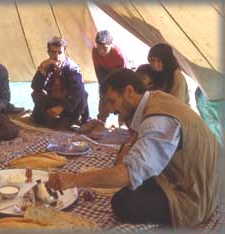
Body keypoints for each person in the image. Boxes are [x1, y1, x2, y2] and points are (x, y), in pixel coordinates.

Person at [48, 68, 220, 228]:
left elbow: (129, 173)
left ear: (129, 92)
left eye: (112, 101)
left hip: (198, 196)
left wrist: (74, 180)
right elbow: (134, 146)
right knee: (125, 179)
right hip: (197, 179)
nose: (111, 109)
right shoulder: (154, 99)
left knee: (123, 202)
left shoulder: (159, 120)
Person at [31, 36, 89, 129]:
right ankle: (48, 116)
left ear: (64, 52)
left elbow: (77, 92)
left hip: (68, 105)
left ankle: (72, 119)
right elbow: (35, 87)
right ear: (48, 52)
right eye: (53, 52)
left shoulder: (72, 68)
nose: (57, 56)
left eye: (60, 52)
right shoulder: (47, 65)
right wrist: (43, 67)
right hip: (53, 100)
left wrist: (61, 107)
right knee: (36, 95)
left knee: (82, 93)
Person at [92, 30, 125, 122]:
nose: (101, 51)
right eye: (99, 47)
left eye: (104, 48)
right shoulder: (95, 51)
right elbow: (99, 72)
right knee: (104, 97)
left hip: (120, 76)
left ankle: (122, 123)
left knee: (121, 99)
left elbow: (122, 76)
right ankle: (101, 121)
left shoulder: (119, 55)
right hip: (104, 74)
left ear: (111, 45)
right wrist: (104, 89)